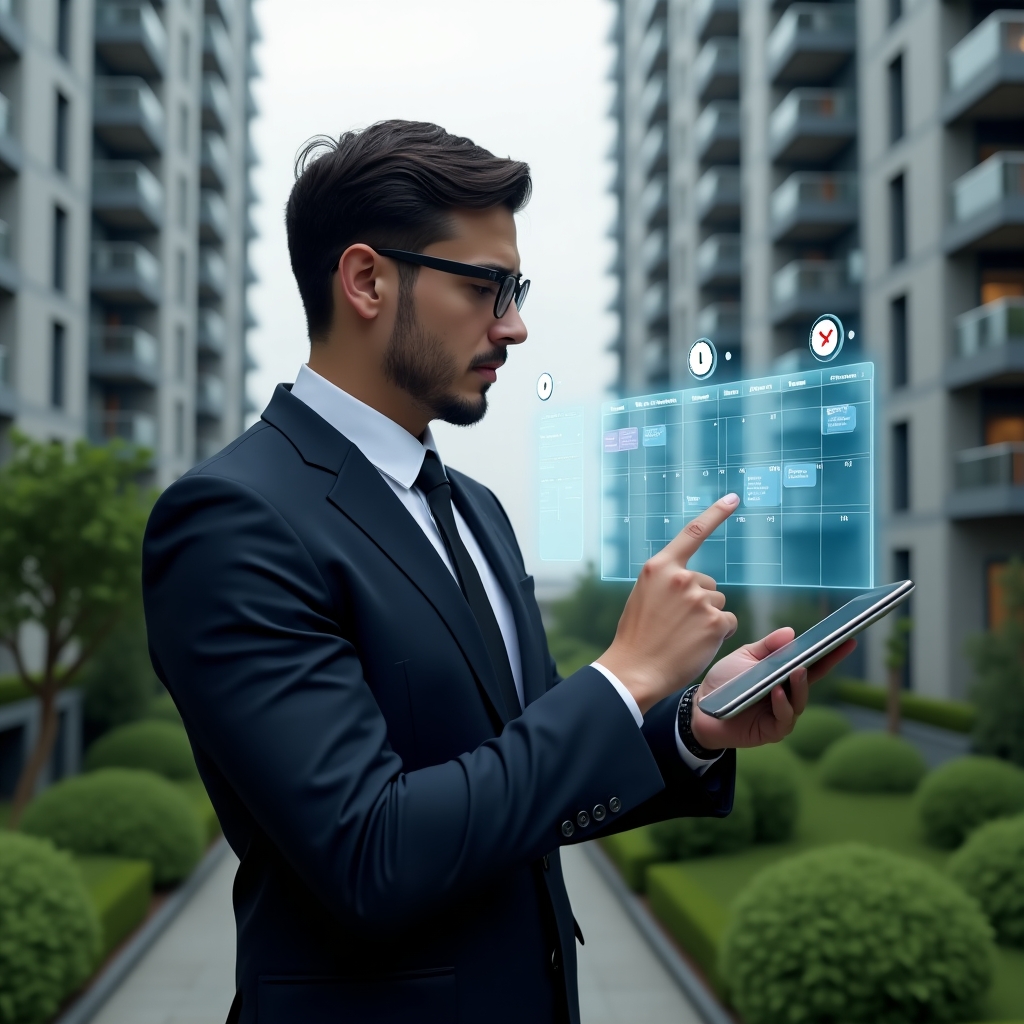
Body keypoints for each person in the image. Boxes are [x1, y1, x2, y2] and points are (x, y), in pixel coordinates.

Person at [142, 120, 853, 1024]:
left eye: (514, 289)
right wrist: (622, 675)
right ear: (366, 279)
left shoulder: (473, 506)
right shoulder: (231, 520)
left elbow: (525, 772)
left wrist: (688, 725)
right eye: (487, 287)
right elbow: (371, 852)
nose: (512, 326)